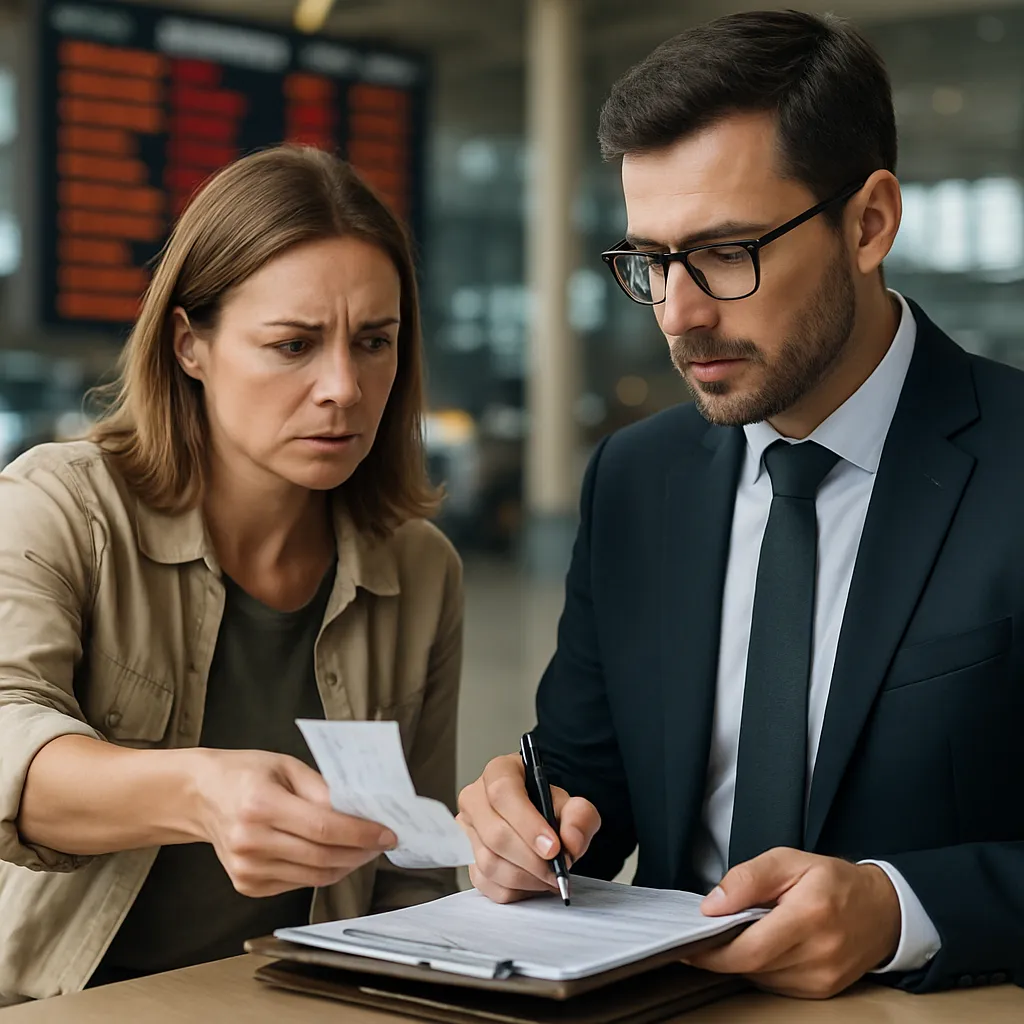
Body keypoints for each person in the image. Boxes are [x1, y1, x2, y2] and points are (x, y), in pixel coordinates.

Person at [459, 10, 1024, 999]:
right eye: (650, 260)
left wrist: (898, 909)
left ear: (868, 223)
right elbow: (592, 778)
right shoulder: (636, 480)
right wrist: (530, 818)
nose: (677, 313)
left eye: (725, 252)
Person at [0, 145, 463, 1005]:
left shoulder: (419, 569)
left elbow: (408, 875)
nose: (343, 388)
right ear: (190, 346)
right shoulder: (59, 506)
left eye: (374, 343)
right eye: (292, 344)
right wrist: (198, 791)